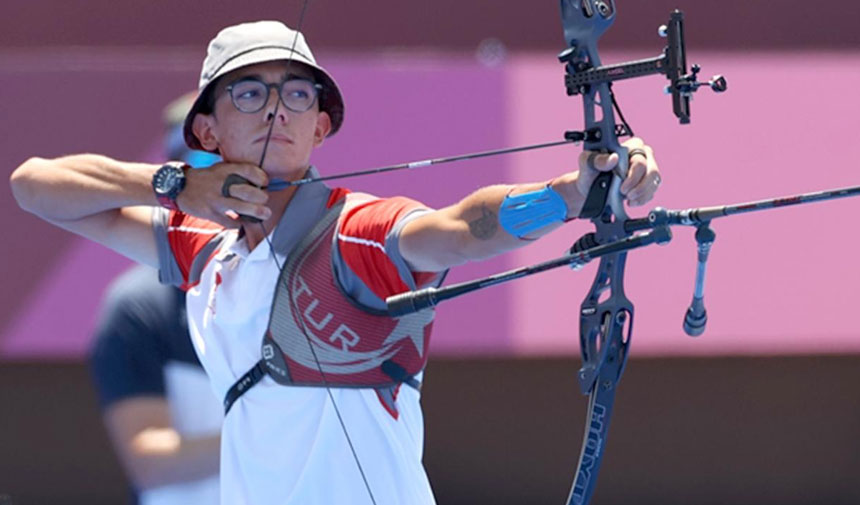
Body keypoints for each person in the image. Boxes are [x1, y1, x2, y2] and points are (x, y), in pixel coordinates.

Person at [10, 20, 661, 505]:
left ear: (321, 127)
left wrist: (572, 195)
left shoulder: (356, 231)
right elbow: (33, 186)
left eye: (297, 96)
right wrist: (175, 184)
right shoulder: (200, 243)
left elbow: (462, 227)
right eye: (248, 93)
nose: (275, 109)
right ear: (206, 131)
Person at [88, 93, 222, 505]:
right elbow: (147, 460)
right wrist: (271, 432)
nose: (214, 182)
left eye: (228, 163)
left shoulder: (285, 277)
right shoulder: (137, 307)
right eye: (197, 166)